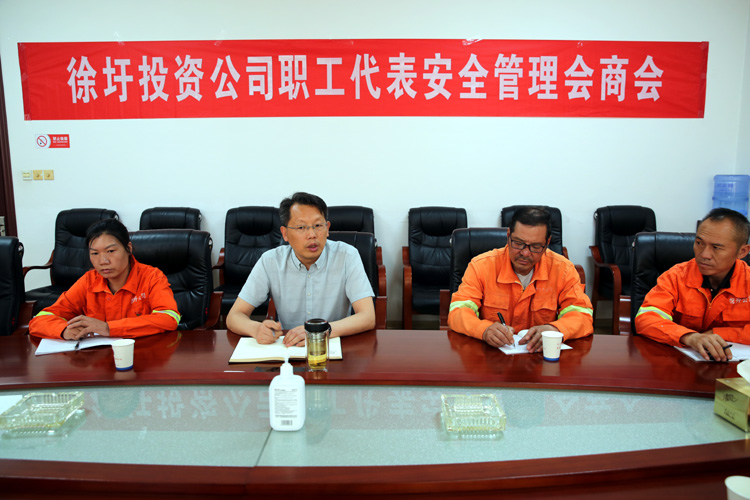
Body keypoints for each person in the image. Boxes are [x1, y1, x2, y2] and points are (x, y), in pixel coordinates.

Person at [227, 192, 375, 346]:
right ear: (285, 233)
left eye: (318, 226)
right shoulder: (270, 261)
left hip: (333, 346)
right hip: (289, 347)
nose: (312, 235)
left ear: (327, 228)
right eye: (301, 227)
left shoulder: (347, 256)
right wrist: (256, 329)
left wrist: (321, 331)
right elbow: (234, 316)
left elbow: (368, 316)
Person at [448, 206, 593, 351]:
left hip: (540, 355)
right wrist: (484, 329)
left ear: (547, 243)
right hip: (493, 355)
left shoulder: (563, 270)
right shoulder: (481, 266)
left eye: (535, 246)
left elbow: (582, 315)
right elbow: (458, 312)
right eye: (518, 243)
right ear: (508, 235)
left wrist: (554, 329)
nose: (525, 253)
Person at [29, 218, 181, 339]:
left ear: (128, 248)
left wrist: (108, 328)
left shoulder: (151, 277)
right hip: (99, 359)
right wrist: (63, 330)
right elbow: (41, 319)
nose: (103, 261)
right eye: (95, 253)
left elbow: (169, 318)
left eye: (111, 251)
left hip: (145, 355)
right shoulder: (88, 281)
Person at [635, 208, 750, 362]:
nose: (704, 254)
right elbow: (646, 318)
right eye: (699, 243)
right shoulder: (676, 276)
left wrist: (716, 334)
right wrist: (689, 337)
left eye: (716, 247)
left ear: (742, 252)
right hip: (679, 363)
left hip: (737, 367)